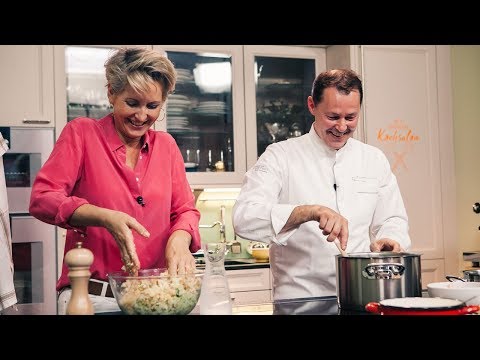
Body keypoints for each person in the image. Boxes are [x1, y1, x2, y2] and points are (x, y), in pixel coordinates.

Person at [29, 47, 201, 314]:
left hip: (156, 299)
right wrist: (103, 216)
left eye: (152, 106)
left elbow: (185, 210)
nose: (142, 116)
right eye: (132, 103)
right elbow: (42, 198)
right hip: (93, 299)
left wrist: (179, 239)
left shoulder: (166, 146)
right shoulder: (82, 134)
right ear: (111, 93)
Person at [232, 69, 411, 301]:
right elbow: (244, 218)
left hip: (362, 296)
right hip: (299, 300)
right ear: (311, 106)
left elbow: (392, 218)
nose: (342, 127)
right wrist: (307, 212)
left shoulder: (373, 159)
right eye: (333, 117)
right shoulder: (280, 156)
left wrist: (390, 238)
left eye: (351, 117)